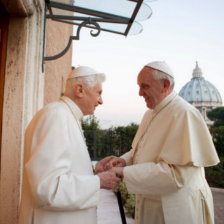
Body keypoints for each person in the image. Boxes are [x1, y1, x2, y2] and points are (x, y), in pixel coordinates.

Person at [96, 61, 220, 224]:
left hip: (176, 209)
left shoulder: (184, 113)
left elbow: (177, 175)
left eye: (144, 86)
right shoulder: (150, 113)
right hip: (151, 203)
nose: (140, 93)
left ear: (165, 84)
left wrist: (123, 172)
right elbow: (140, 148)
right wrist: (125, 160)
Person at [18, 66, 121, 224]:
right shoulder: (57, 117)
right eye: (99, 93)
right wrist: (98, 181)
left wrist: (93, 173)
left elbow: (63, 173)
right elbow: (47, 189)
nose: (101, 101)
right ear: (80, 90)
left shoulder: (65, 116)